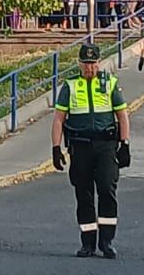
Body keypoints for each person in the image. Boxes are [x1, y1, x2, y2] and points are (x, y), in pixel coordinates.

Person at [51, 44, 130, 258]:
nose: (90, 67)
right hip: (80, 146)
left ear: (99, 62)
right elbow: (59, 119)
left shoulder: (110, 83)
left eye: (93, 63)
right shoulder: (70, 86)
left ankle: (107, 241)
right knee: (84, 194)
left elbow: (122, 115)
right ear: (79, 64)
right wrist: (56, 148)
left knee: (106, 189)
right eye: (86, 63)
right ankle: (87, 243)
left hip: (105, 145)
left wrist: (125, 144)